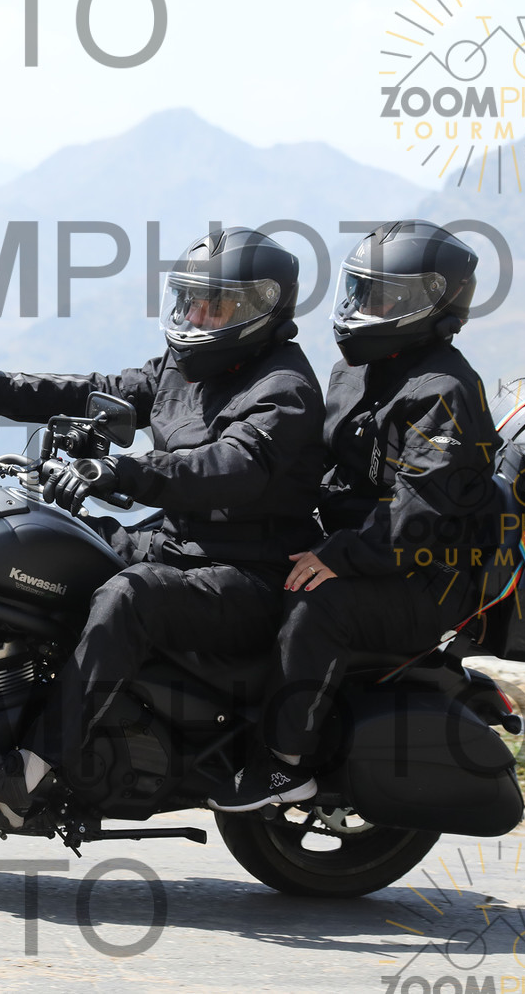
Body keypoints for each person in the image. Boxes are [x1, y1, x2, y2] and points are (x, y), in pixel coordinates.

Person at [0, 227, 329, 828]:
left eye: (212, 306)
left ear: (257, 309)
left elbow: (229, 467)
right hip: (176, 544)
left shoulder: (285, 390)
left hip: (247, 574)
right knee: (51, 541)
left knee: (130, 597)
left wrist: (122, 471)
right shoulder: (186, 366)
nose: (193, 316)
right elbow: (103, 392)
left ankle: (29, 772)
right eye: (188, 301)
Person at [209, 220, 502, 812]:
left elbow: (420, 514)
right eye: (361, 291)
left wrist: (337, 557)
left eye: (385, 297)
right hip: (363, 546)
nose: (364, 307)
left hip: (424, 576)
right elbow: (323, 466)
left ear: (431, 305)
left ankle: (283, 764)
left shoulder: (442, 392)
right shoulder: (357, 371)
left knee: (317, 604)